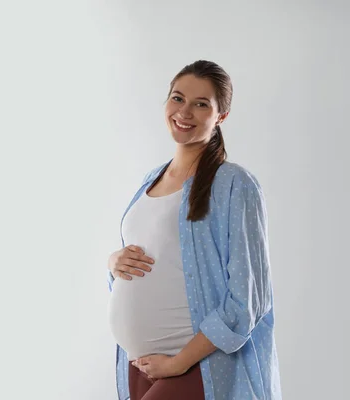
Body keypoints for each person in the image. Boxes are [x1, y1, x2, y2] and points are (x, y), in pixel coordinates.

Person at [106, 60, 281, 400]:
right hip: (138, 365)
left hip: (195, 366)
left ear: (220, 117)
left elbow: (248, 299)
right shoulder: (150, 179)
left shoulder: (234, 184)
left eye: (202, 104)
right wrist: (114, 261)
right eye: (178, 98)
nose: (185, 111)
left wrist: (178, 364)